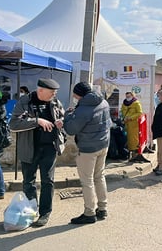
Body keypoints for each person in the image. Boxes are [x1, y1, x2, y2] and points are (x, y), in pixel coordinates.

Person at [9, 78, 66, 227]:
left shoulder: (54, 102)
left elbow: (62, 116)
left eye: (55, 92)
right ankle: (31, 210)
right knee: (29, 182)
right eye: (52, 92)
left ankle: (45, 213)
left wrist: (61, 122)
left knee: (48, 181)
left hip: (49, 148)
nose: (54, 94)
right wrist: (37, 121)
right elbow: (13, 124)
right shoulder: (24, 102)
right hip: (29, 148)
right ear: (40, 90)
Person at [63, 82, 112, 224]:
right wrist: (76, 113)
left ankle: (89, 212)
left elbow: (71, 129)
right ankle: (102, 208)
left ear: (80, 94)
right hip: (103, 145)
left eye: (75, 94)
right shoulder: (103, 102)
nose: (73, 96)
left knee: (87, 181)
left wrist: (67, 116)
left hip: (88, 149)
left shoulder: (84, 109)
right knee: (99, 176)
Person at [120, 91, 143, 160]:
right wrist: (122, 117)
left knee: (133, 140)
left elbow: (139, 113)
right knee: (126, 140)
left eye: (129, 96)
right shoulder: (124, 103)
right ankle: (127, 154)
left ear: (132, 96)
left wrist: (131, 117)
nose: (128, 98)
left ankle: (134, 156)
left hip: (133, 124)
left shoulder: (136, 103)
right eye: (127, 97)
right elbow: (122, 111)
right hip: (125, 124)